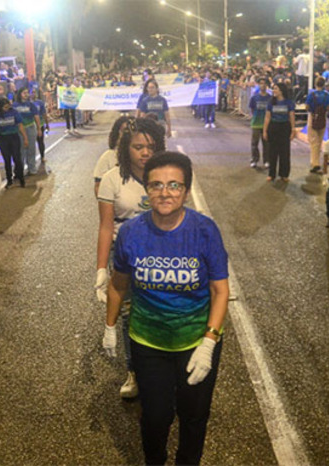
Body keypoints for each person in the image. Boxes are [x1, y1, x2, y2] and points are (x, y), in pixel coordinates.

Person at [102, 151, 229, 465]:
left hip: (196, 341)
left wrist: (209, 342)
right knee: (156, 417)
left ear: (186, 190)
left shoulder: (204, 230)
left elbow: (220, 290)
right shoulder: (131, 232)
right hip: (148, 342)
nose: (165, 192)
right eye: (156, 185)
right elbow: (119, 284)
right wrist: (109, 327)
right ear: (146, 189)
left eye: (174, 185)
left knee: (194, 415)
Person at [96, 118, 166, 399]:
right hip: (124, 257)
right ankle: (134, 372)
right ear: (126, 148)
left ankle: (162, 368)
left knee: (160, 312)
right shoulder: (112, 178)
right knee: (129, 316)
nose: (145, 152)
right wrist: (101, 269)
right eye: (138, 146)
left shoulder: (165, 175)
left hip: (161, 257)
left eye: (150, 146)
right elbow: (104, 226)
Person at [0, 98, 27, 190]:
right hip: (3, 138)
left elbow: (20, 125)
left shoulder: (14, 112)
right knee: (7, 159)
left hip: (14, 137)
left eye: (8, 106)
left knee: (17, 158)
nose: (7, 108)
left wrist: (25, 138)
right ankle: (9, 180)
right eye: (5, 107)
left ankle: (21, 179)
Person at [262, 82, 296, 182]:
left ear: (281, 90)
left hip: (284, 127)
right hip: (273, 127)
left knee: (284, 152)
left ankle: (284, 174)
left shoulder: (289, 103)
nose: (274, 91)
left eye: (276, 89)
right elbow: (267, 117)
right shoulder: (271, 102)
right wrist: (265, 131)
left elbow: (291, 116)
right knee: (272, 152)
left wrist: (293, 130)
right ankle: (271, 174)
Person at [93, 115, 132, 196]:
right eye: (125, 131)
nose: (129, 135)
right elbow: (98, 187)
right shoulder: (108, 157)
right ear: (117, 133)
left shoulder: (143, 156)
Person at [306, 76, 329, 173]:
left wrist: (313, 111)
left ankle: (315, 163)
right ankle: (317, 160)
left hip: (312, 117)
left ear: (315, 84)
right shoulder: (327, 95)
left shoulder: (311, 94)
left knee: (313, 141)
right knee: (320, 140)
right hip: (322, 118)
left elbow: (307, 106)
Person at [14, 87, 42, 176]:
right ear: (20, 94)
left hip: (30, 128)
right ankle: (20, 170)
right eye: (24, 93)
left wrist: (39, 129)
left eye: (27, 92)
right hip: (19, 130)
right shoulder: (14, 105)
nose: (26, 94)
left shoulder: (31, 104)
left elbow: (36, 117)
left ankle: (32, 168)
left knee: (31, 148)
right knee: (21, 150)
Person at [248, 77, 272, 169]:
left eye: (264, 83)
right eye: (261, 83)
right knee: (255, 143)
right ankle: (254, 160)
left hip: (266, 124)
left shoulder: (270, 98)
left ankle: (266, 160)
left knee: (266, 143)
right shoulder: (254, 98)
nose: (263, 85)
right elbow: (252, 109)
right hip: (256, 123)